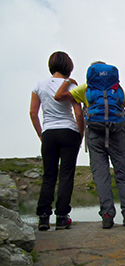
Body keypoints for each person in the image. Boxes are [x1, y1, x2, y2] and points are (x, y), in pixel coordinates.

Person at [55, 62, 125, 229]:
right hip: (117, 135)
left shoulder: (85, 88)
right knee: (123, 176)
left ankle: (107, 215)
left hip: (95, 136)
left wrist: (68, 81)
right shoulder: (116, 88)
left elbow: (58, 96)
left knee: (101, 176)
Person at [30, 51, 84, 231]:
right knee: (66, 174)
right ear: (69, 67)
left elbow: (33, 113)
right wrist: (80, 133)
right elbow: (78, 113)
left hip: (49, 133)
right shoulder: (70, 86)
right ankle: (62, 217)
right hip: (69, 131)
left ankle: (43, 218)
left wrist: (40, 133)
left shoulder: (39, 85)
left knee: (49, 175)